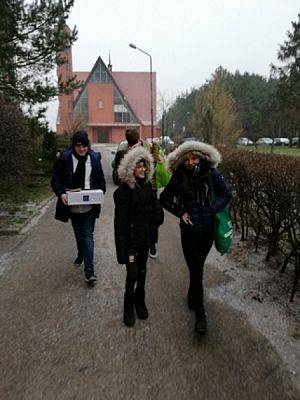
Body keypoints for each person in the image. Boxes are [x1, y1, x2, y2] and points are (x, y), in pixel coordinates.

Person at [159, 141, 231, 335]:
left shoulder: (211, 173)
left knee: (196, 268)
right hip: (188, 232)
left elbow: (226, 194)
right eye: (187, 159)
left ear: (201, 157)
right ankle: (200, 315)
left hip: (207, 232)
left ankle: (193, 295)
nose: (190, 162)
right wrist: (181, 212)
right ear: (182, 161)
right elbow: (164, 199)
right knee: (196, 268)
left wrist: (211, 210)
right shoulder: (179, 176)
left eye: (194, 158)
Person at [114, 146, 164, 327]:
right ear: (131, 168)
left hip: (145, 240)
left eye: (144, 166)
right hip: (131, 243)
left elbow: (155, 205)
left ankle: (140, 301)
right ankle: (128, 306)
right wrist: (123, 250)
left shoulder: (148, 186)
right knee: (132, 274)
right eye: (138, 166)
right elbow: (120, 224)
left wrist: (158, 218)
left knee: (142, 273)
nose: (142, 169)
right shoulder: (123, 193)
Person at [51, 130, 106, 284]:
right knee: (78, 233)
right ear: (74, 146)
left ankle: (89, 271)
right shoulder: (65, 158)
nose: (82, 150)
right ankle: (81, 253)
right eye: (78, 146)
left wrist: (100, 193)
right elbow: (55, 179)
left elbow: (101, 180)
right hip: (72, 204)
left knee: (88, 235)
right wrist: (61, 193)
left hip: (89, 206)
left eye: (84, 146)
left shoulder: (94, 158)